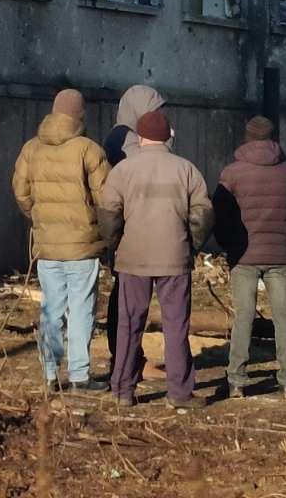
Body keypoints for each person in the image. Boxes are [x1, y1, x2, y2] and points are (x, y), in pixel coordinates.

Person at [98, 107, 213, 409]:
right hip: (174, 257)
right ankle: (179, 393)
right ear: (167, 137)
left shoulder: (123, 170)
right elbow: (202, 214)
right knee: (176, 326)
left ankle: (123, 389)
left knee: (129, 324)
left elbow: (108, 214)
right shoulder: (186, 169)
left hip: (133, 258)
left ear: (140, 138)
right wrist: (192, 246)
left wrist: (115, 245)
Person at [12, 88, 111, 393]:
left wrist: (40, 219)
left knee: (51, 309)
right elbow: (107, 199)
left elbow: (21, 192)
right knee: (81, 309)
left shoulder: (31, 149)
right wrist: (103, 232)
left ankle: (50, 375)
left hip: (47, 246)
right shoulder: (89, 149)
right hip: (83, 246)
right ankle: (80, 376)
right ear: (80, 115)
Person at [213, 115, 286, 400]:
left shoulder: (231, 174)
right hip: (279, 256)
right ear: (273, 138)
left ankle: (237, 382)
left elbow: (220, 217)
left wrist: (229, 245)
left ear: (246, 138)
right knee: (283, 317)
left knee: (243, 317)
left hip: (243, 257)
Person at [101, 84, 165, 367]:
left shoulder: (116, 135)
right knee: (128, 300)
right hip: (132, 225)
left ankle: (125, 356)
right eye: (155, 109)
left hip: (127, 224)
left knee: (125, 297)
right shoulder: (127, 139)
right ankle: (125, 358)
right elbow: (144, 175)